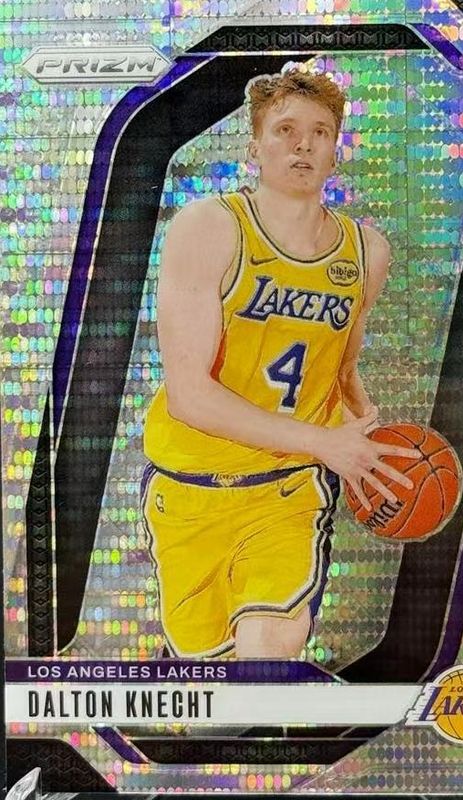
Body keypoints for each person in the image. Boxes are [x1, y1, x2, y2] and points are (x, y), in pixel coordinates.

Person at [141, 68, 420, 659]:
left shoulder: (366, 251)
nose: (303, 145)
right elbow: (188, 395)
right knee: (207, 688)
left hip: (288, 491)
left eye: (320, 133)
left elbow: (341, 369)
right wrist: (325, 443)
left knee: (267, 658)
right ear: (255, 147)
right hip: (189, 490)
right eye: (286, 130)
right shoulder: (209, 228)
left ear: (335, 150)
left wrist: (367, 438)